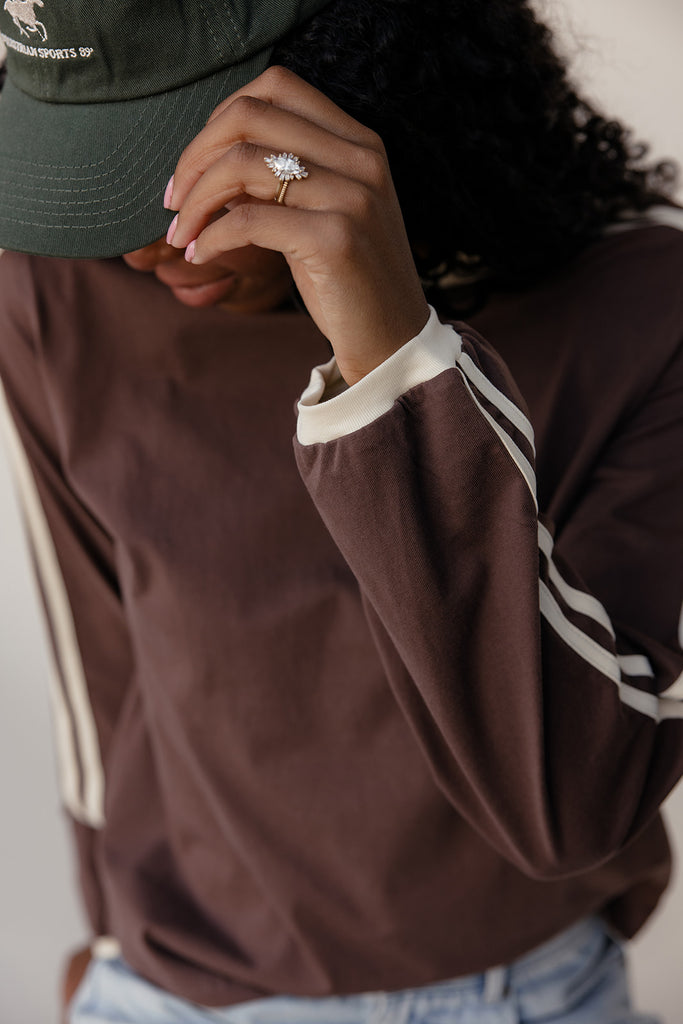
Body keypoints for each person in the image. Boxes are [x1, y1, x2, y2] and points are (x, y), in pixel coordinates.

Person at [0, 1, 681, 1022]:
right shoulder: (58, 297)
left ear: (359, 76)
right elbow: (101, 677)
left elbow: (568, 804)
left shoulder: (641, 315)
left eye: (177, 150)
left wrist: (396, 361)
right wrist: (109, 941)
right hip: (168, 997)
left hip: (524, 995)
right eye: (86, 165)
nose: (139, 239)